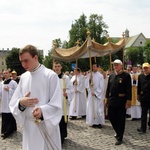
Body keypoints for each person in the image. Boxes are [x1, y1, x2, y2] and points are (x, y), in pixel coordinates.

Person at [9, 45, 62, 150]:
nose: (24, 65)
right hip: (29, 127)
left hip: (45, 125)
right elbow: (14, 102)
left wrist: (42, 111)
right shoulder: (24, 77)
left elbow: (57, 104)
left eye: (26, 61)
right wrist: (21, 102)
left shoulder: (50, 76)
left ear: (35, 57)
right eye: (21, 61)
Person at [106, 59, 132, 145]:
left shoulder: (126, 76)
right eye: (114, 65)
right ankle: (117, 131)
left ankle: (119, 137)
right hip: (112, 101)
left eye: (117, 65)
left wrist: (128, 101)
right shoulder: (111, 76)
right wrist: (106, 99)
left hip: (121, 101)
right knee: (111, 117)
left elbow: (129, 89)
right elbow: (108, 88)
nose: (115, 67)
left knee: (121, 120)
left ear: (121, 66)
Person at [53, 61, 73, 144]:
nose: (57, 68)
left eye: (58, 66)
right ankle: (55, 136)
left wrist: (67, 93)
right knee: (55, 121)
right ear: (54, 67)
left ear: (61, 67)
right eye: (56, 66)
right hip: (54, 102)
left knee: (62, 120)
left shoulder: (65, 78)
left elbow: (70, 89)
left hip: (63, 101)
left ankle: (62, 136)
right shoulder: (52, 77)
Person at [85, 62, 105, 128]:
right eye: (93, 66)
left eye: (95, 66)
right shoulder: (89, 75)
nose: (94, 68)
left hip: (97, 96)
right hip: (91, 94)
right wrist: (89, 80)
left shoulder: (100, 76)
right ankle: (92, 122)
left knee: (98, 109)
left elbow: (101, 86)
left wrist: (96, 93)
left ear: (97, 67)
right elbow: (86, 85)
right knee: (91, 108)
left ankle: (98, 122)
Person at [0, 69, 18, 139]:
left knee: (10, 116)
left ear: (9, 74)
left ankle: (10, 130)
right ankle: (5, 131)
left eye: (6, 73)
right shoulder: (2, 83)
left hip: (10, 102)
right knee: (5, 117)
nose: (5, 74)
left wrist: (9, 90)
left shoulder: (13, 83)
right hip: (4, 103)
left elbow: (17, 92)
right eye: (4, 73)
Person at [137, 62, 150, 134]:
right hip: (144, 98)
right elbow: (139, 87)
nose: (145, 69)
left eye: (147, 68)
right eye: (144, 68)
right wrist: (138, 95)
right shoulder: (140, 76)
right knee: (143, 114)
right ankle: (143, 128)